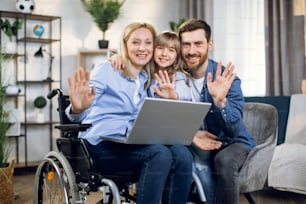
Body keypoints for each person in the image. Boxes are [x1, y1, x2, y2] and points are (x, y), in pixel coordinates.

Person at [65, 22, 193, 204]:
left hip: (132, 142)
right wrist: (78, 108)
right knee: (159, 154)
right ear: (125, 44)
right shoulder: (106, 70)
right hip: (100, 145)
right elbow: (80, 112)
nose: (142, 48)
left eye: (148, 43)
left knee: (182, 155)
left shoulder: (147, 78)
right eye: (135, 42)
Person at [178, 19, 256, 204]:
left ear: (210, 44)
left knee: (224, 160)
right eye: (186, 44)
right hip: (192, 141)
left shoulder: (227, 79)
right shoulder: (176, 75)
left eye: (198, 44)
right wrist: (117, 57)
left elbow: (235, 128)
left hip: (231, 141)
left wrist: (220, 102)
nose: (191, 51)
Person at [111, 31, 192, 101]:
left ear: (176, 56)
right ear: (152, 50)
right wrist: (118, 57)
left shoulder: (177, 76)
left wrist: (174, 96)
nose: (164, 54)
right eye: (160, 48)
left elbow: (186, 93)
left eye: (171, 50)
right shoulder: (144, 70)